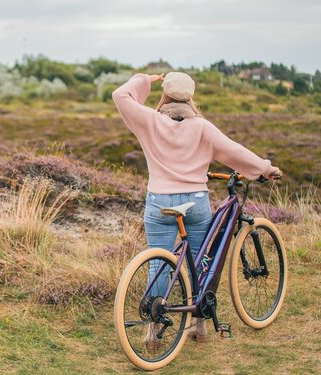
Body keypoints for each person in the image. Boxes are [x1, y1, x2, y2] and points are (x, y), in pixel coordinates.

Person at [111, 72, 282, 346]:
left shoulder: (150, 121)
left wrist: (145, 79)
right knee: (201, 262)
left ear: (164, 95)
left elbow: (120, 95)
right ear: (190, 97)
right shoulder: (203, 128)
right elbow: (234, 151)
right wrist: (264, 168)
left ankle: (153, 333)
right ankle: (199, 326)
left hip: (159, 201)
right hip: (195, 202)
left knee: (158, 263)